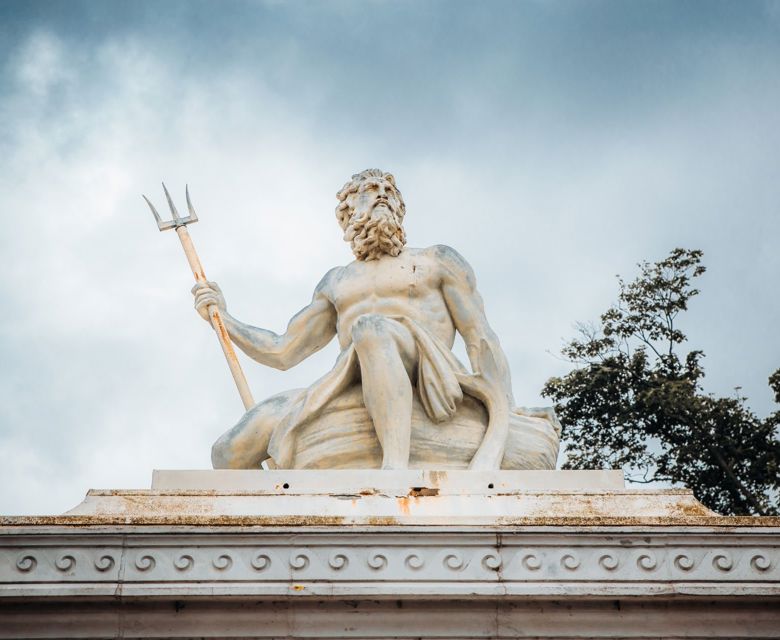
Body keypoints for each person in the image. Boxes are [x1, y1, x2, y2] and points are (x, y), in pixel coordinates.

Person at [193, 169, 559, 470]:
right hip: (351, 380)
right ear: (348, 212)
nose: (383, 194)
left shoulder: (436, 260)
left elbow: (480, 338)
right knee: (228, 450)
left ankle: (393, 469)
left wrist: (505, 407)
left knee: (371, 329)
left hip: (430, 373)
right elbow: (283, 350)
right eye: (369, 190)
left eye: (390, 192)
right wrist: (224, 318)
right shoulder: (337, 282)